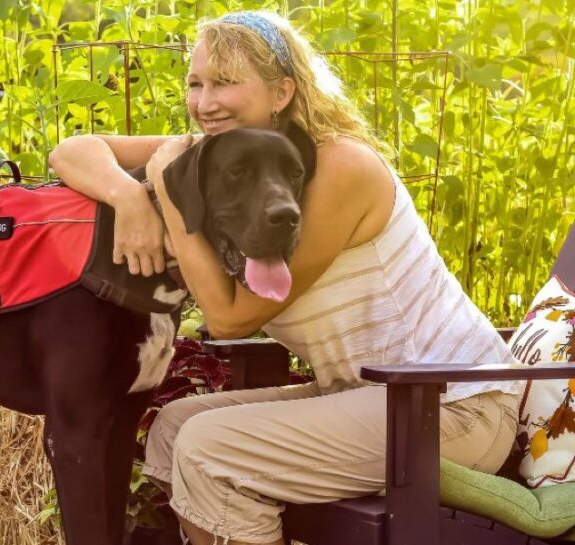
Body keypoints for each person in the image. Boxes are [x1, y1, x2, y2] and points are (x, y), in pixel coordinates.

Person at [47, 10, 520, 545]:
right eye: (196, 84)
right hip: (375, 397)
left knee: (208, 447)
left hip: (456, 407)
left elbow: (229, 317)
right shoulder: (234, 155)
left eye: (225, 82)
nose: (205, 103)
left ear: (282, 92)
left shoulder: (341, 167)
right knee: (173, 429)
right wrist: (128, 195)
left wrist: (167, 189)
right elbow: (73, 151)